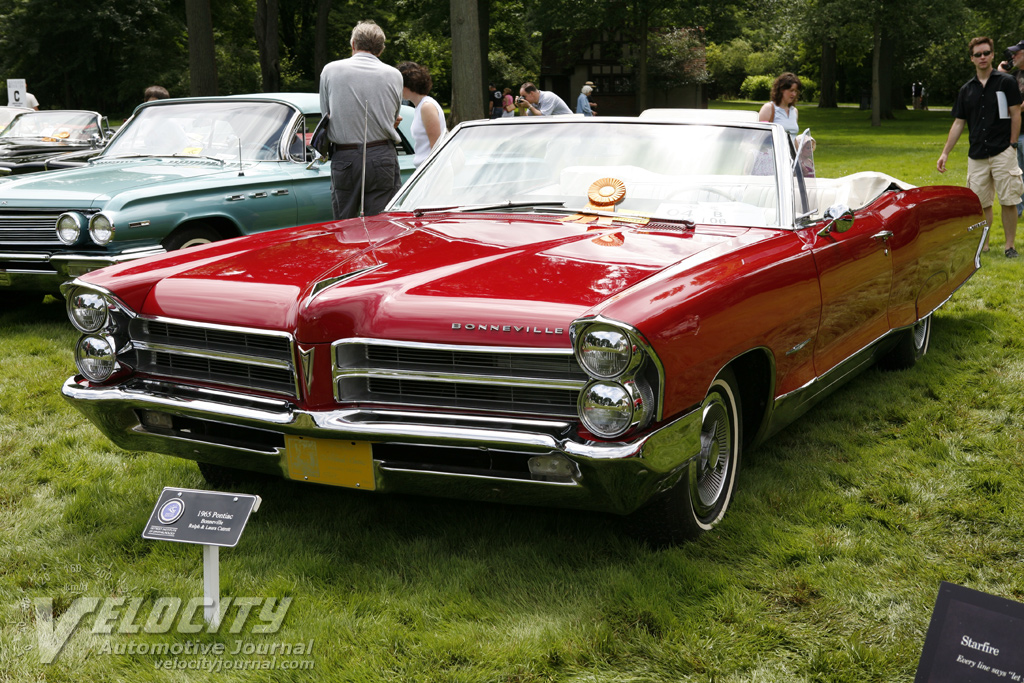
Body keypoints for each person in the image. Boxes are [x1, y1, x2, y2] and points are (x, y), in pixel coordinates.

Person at [938, 36, 1022, 258]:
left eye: (986, 53)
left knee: (1008, 200)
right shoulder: (967, 90)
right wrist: (945, 152)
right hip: (977, 154)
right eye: (978, 54)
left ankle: (1009, 246)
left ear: (992, 55)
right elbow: (958, 122)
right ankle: (983, 245)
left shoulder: (1006, 83)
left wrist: (1013, 144)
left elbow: (1015, 113)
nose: (982, 57)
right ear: (972, 59)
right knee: (981, 203)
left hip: (1003, 150)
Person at [319, 20, 403, 220]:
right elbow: (393, 117)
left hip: (345, 155)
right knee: (381, 225)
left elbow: (326, 114)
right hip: (382, 154)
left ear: (353, 45)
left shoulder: (330, 70)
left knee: (344, 223)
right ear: (380, 50)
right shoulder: (394, 75)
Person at [758, 72, 815, 176]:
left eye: (796, 91)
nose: (794, 94)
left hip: (790, 160)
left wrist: (800, 161)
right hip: (772, 160)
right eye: (791, 90)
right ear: (781, 89)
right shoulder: (769, 108)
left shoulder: (794, 111)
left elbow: (792, 139)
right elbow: (760, 137)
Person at [397, 61, 446, 167]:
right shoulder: (420, 106)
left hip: (433, 170)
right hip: (427, 169)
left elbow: (436, 147)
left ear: (406, 84)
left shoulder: (426, 107)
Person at [997, 40, 1024, 216]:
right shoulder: (1016, 75)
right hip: (1017, 133)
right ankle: (1019, 211)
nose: (1012, 56)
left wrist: (1012, 108)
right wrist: (1000, 74)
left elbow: (1018, 106)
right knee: (1018, 175)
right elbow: (1000, 96)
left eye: (1016, 53)